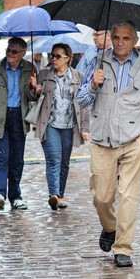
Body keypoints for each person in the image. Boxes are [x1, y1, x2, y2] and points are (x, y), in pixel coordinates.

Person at [77, 20, 140, 268]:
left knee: (128, 196)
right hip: (102, 140)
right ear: (111, 38)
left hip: (134, 141)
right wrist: (93, 84)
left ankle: (123, 248)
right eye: (116, 38)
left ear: (135, 41)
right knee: (102, 197)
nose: (120, 43)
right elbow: (81, 100)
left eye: (126, 38)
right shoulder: (97, 61)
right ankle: (110, 226)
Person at [0, 36, 38, 211]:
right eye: (8, 50)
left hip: (19, 117)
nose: (10, 54)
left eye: (14, 51)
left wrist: (35, 88)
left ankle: (15, 196)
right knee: (1, 156)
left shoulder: (29, 69)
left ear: (23, 53)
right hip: (0, 118)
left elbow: (32, 97)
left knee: (17, 159)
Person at [29, 43, 91, 210]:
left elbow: (84, 104)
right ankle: (53, 194)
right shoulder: (44, 74)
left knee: (64, 162)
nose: (53, 59)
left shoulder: (79, 76)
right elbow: (34, 98)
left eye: (58, 56)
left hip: (70, 126)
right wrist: (34, 88)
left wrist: (85, 128)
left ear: (68, 59)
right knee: (53, 159)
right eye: (52, 56)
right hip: (49, 124)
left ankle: (60, 196)